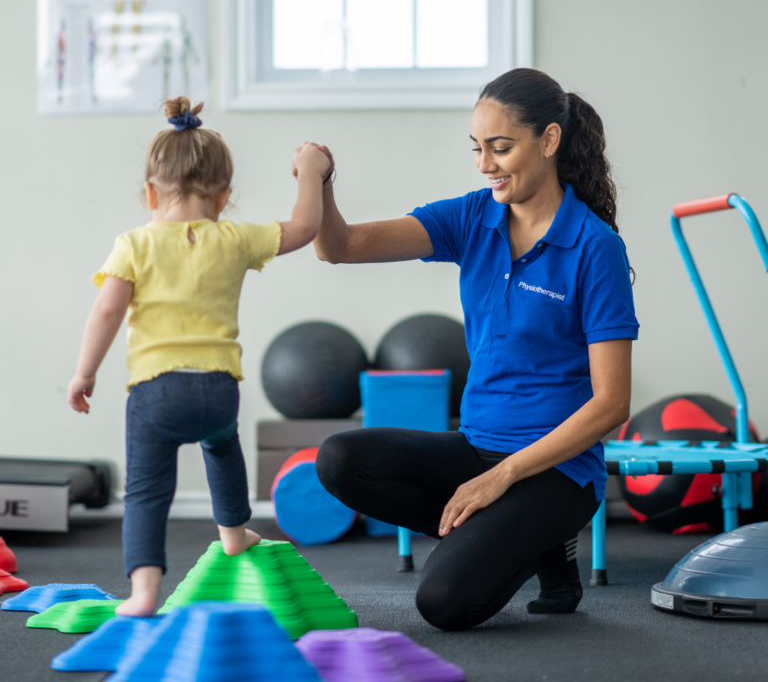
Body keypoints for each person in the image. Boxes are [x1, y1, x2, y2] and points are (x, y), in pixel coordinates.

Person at [313, 68, 639, 631]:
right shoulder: (472, 216)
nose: (486, 164)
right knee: (339, 459)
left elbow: (612, 405)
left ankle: (540, 536)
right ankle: (533, 547)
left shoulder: (595, 247)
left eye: (501, 148)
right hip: (475, 447)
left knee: (443, 603)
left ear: (550, 141)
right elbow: (338, 247)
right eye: (478, 149)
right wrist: (318, 182)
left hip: (556, 471)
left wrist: (506, 475)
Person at [67, 97, 331, 616]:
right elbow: (304, 228)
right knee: (222, 448)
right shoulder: (234, 239)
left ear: (149, 192)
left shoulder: (134, 244)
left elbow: (105, 311)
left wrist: (85, 373)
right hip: (217, 390)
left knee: (145, 491)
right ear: (225, 195)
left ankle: (144, 592)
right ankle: (233, 530)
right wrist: (311, 171)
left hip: (154, 391)